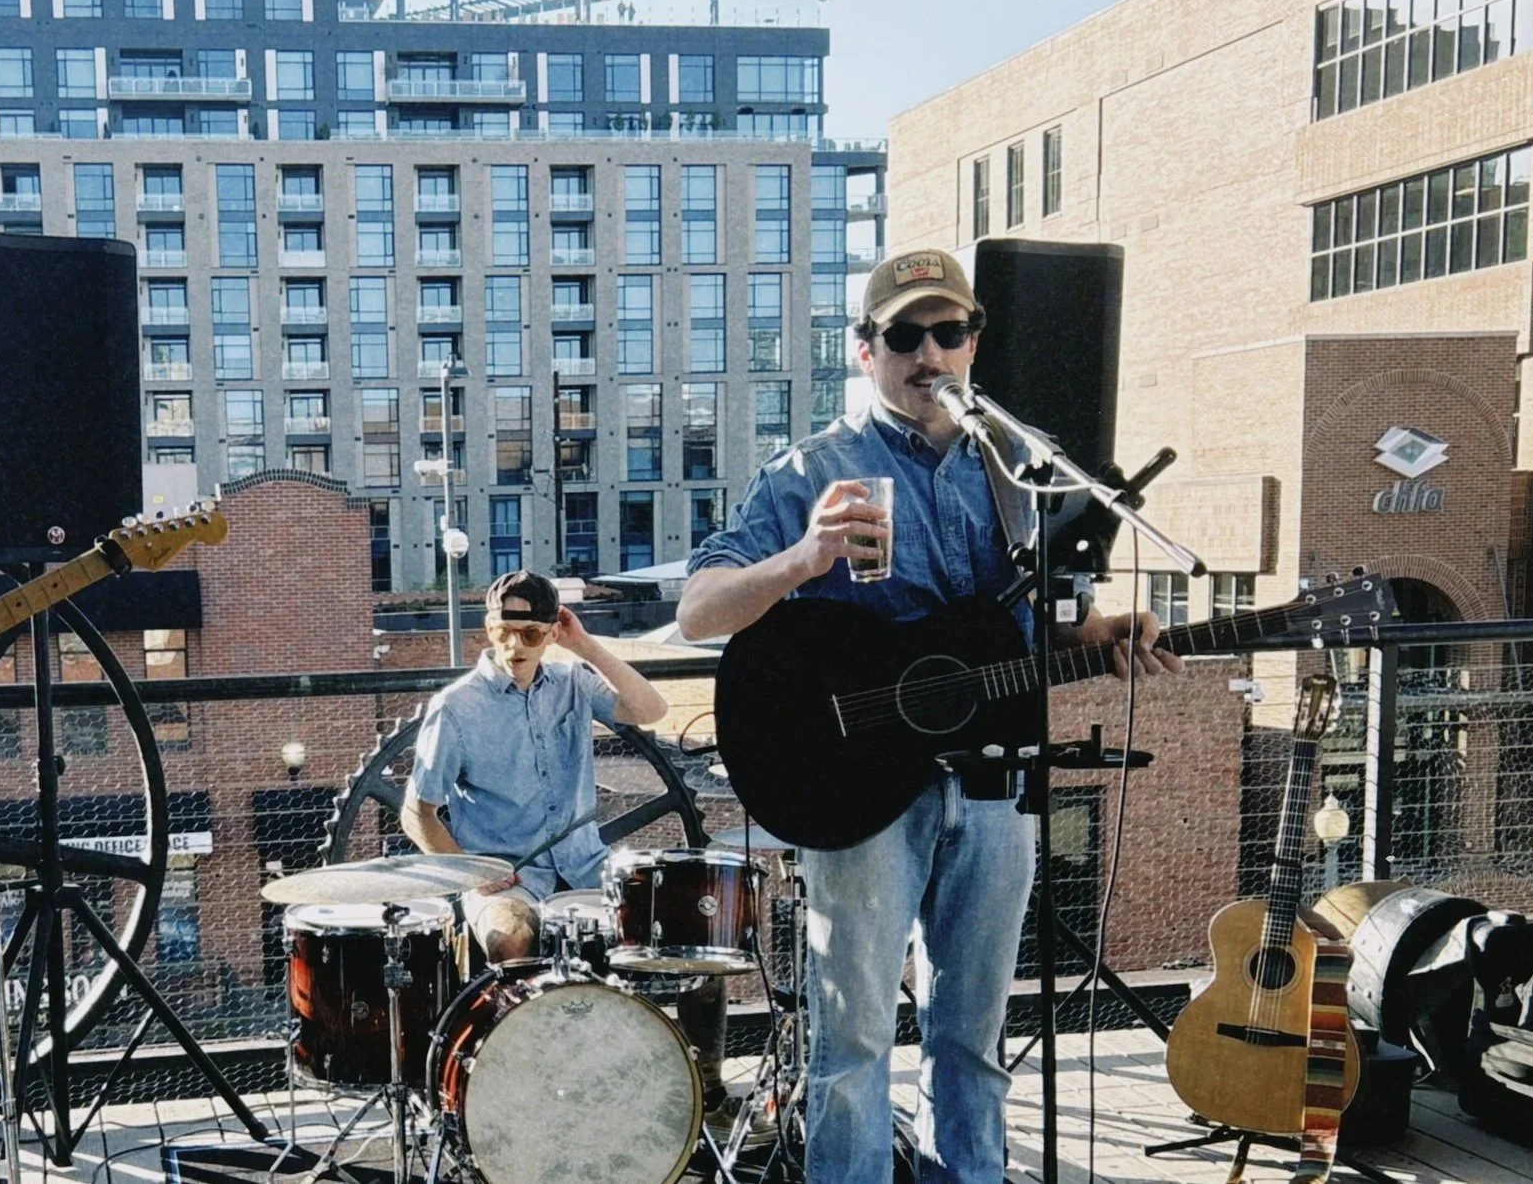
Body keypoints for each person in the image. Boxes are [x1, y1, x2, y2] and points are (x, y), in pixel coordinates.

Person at [678, 248, 1182, 1184]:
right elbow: (698, 611)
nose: (929, 354)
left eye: (949, 331)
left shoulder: (1022, 466)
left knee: (974, 1037)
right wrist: (803, 559)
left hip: (995, 781)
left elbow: (1024, 625)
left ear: (974, 343)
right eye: (904, 335)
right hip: (860, 787)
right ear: (865, 351)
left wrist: (1101, 633)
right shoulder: (814, 469)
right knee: (855, 1042)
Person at [401, 571, 668, 962]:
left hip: (588, 866)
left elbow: (651, 710)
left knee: (675, 921)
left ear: (552, 634)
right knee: (511, 940)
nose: (515, 645)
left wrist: (585, 645)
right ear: (489, 629)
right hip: (507, 879)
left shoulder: (574, 683)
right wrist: (473, 875)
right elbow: (416, 813)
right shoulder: (456, 707)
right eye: (505, 632)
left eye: (530, 634)